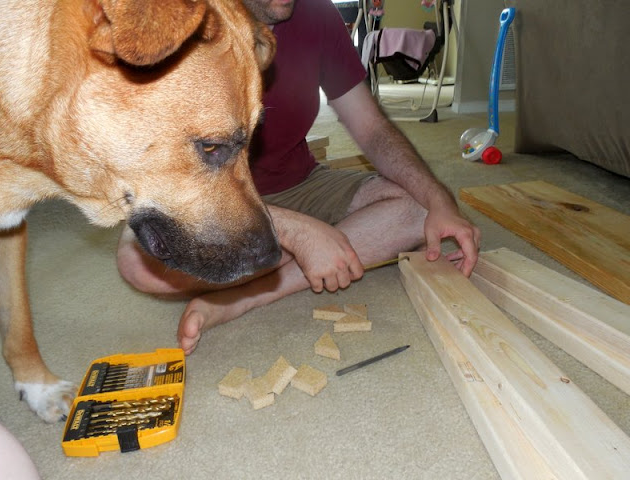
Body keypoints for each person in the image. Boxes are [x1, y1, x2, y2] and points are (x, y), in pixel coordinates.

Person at [116, 0, 481, 355]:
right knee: (138, 261)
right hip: (214, 200)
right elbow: (159, 172)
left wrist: (439, 201)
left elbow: (372, 129)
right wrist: (296, 232)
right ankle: (316, 247)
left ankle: (247, 295)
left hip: (302, 183)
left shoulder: (318, 14)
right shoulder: (181, 23)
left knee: (420, 208)